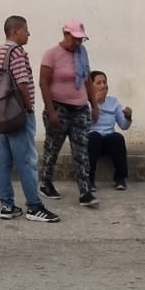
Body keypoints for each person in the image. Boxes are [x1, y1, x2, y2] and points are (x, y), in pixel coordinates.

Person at [0, 15, 57, 222]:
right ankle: (34, 206)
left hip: (2, 114)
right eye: (26, 30)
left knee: (4, 160)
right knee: (27, 160)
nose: (28, 33)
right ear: (15, 31)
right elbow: (21, 83)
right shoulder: (17, 52)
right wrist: (28, 107)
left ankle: (7, 205)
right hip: (18, 113)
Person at [39, 19, 96, 207]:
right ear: (66, 35)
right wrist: (51, 110)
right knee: (52, 148)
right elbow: (43, 83)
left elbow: (87, 80)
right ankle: (46, 182)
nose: (78, 43)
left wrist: (94, 105)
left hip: (79, 108)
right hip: (58, 106)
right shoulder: (51, 54)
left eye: (81, 39)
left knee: (81, 150)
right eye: (75, 39)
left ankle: (85, 191)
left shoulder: (82, 55)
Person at [85, 70, 132, 192]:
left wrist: (128, 116)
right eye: (98, 83)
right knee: (94, 136)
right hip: (92, 143)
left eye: (104, 82)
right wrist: (94, 103)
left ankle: (120, 178)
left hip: (108, 142)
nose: (103, 86)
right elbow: (83, 125)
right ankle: (89, 179)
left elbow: (124, 125)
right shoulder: (85, 102)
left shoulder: (113, 102)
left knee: (117, 137)